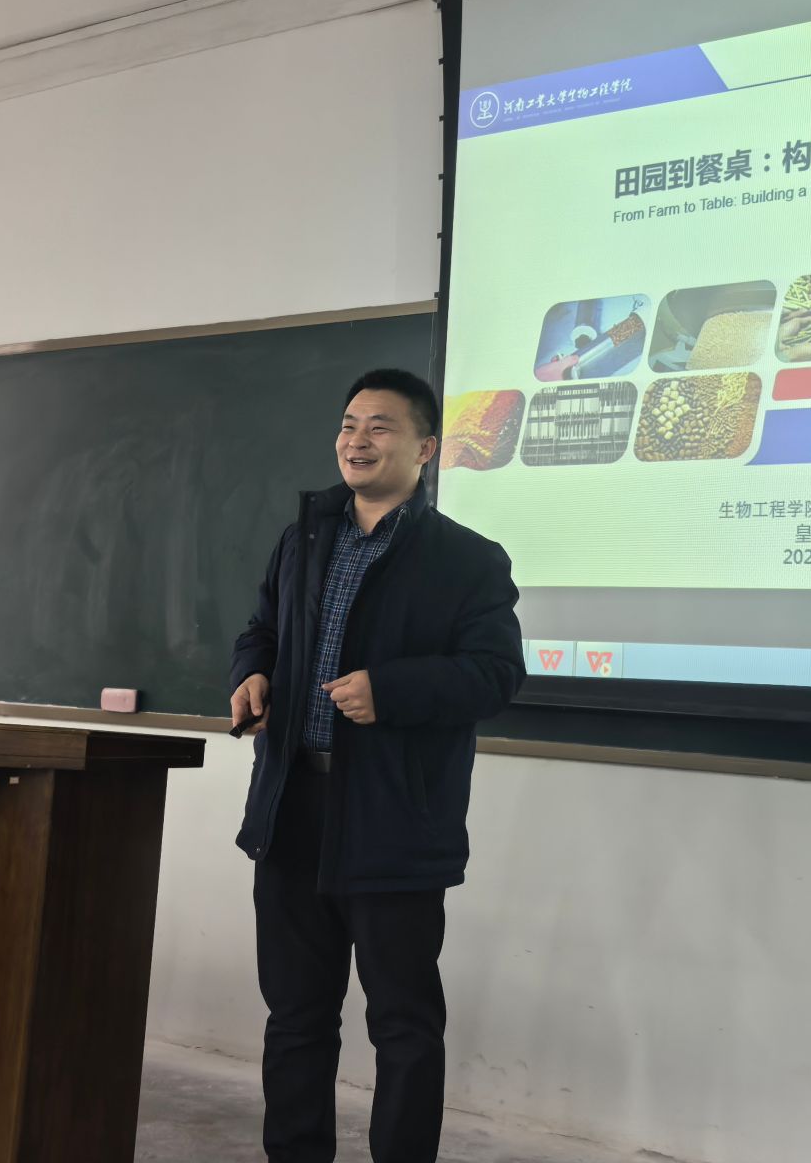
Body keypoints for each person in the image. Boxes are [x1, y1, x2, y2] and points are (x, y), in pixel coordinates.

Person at [229, 367, 524, 1163]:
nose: (357, 440)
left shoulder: (466, 560)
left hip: (394, 818)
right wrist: (252, 674)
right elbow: (261, 631)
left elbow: (495, 676)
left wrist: (390, 691)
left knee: (403, 1025)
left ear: (426, 449)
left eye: (380, 427)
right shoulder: (303, 539)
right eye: (349, 425)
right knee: (295, 1017)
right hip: (293, 807)